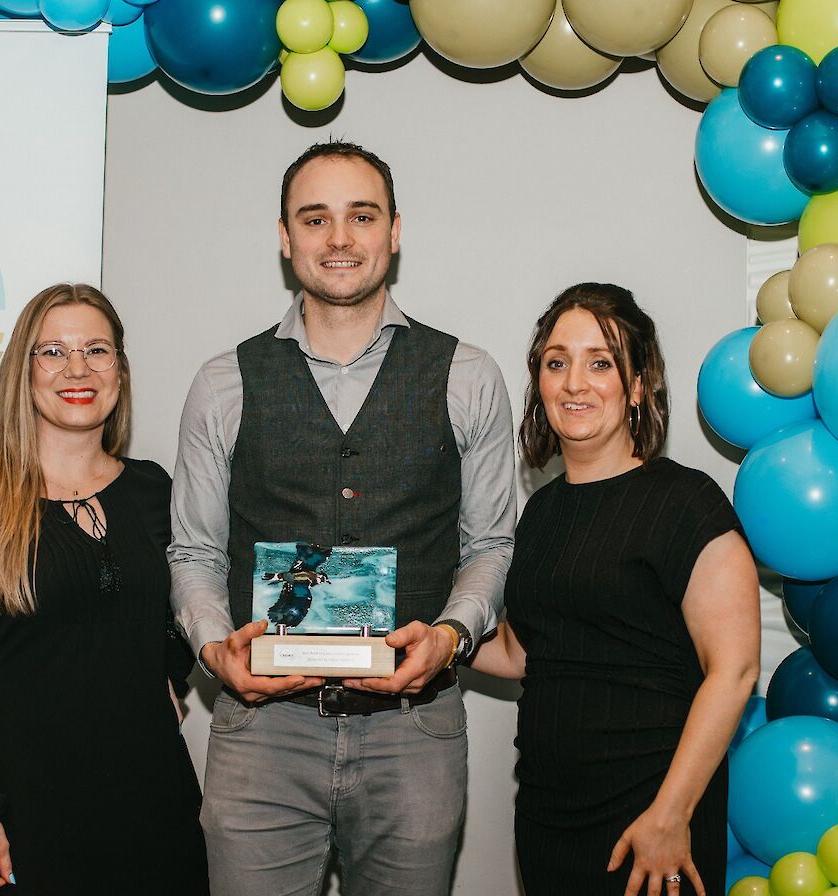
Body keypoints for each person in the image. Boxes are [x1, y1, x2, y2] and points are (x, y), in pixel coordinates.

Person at [168, 141, 516, 896]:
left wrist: (453, 635)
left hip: (413, 735)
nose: (338, 239)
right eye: (314, 218)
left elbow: (488, 543)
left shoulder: (468, 375)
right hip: (262, 732)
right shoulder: (222, 382)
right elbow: (193, 551)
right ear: (285, 238)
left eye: (360, 216)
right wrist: (210, 649)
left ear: (394, 231)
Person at [0, 283, 207, 895]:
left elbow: (192, 602)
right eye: (53, 352)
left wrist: (169, 671)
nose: (78, 369)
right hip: (20, 815)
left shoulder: (156, 491)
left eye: (97, 350)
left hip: (149, 807)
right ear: (24, 372)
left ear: (119, 371)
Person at [471, 282, 760, 896]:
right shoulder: (543, 513)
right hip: (549, 819)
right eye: (557, 362)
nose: (574, 383)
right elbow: (525, 654)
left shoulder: (685, 501)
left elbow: (733, 670)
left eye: (600, 362)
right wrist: (437, 636)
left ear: (635, 387)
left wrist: (671, 815)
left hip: (651, 822)